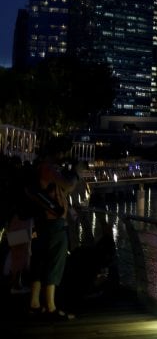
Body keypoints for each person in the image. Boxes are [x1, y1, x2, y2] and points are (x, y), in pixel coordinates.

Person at [27, 137, 82, 321]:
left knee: (41, 261)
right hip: (53, 222)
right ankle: (50, 307)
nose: (66, 156)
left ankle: (34, 304)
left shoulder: (41, 167)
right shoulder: (48, 168)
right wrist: (76, 172)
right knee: (54, 263)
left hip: (43, 222)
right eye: (66, 152)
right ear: (59, 152)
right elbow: (69, 185)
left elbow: (61, 191)